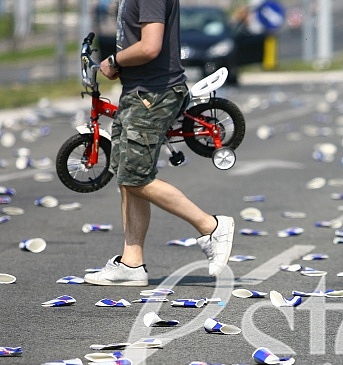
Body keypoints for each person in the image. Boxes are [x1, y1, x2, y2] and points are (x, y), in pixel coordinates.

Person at [85, 0, 235, 287]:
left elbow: (150, 46)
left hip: (153, 94)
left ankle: (211, 226)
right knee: (127, 176)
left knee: (135, 176)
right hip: (140, 91)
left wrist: (114, 60)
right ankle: (131, 263)